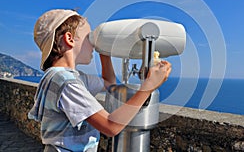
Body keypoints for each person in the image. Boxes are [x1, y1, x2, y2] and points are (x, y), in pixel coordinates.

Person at [28, 9, 171, 152]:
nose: (94, 45)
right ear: (69, 39)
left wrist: (104, 51)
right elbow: (111, 126)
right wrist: (147, 88)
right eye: (90, 37)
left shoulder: (70, 77)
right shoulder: (65, 82)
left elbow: (109, 83)